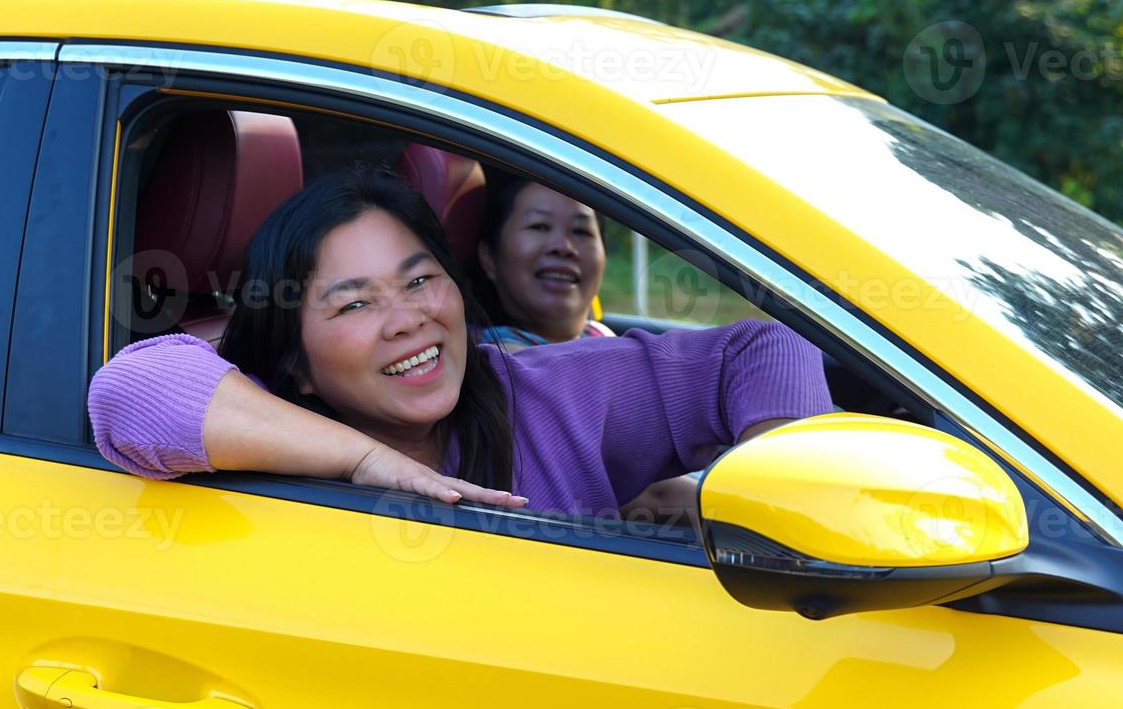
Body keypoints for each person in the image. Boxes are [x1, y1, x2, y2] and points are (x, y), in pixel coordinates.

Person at [88, 168, 833, 517]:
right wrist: (365, 460)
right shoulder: (257, 427)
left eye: (419, 281)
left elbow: (761, 351)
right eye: (354, 303)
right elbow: (128, 393)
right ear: (299, 369)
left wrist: (763, 505)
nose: (408, 318)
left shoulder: (539, 393)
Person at [473, 171, 613, 350]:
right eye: (539, 226)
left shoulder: (599, 334)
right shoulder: (501, 360)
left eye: (580, 231)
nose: (563, 247)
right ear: (489, 258)